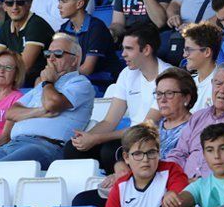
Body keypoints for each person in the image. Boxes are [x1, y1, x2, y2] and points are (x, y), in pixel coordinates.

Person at [71, 68, 196, 207]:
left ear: (186, 98)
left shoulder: (195, 127)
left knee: (89, 203)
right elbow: (129, 152)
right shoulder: (153, 126)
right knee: (82, 201)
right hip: (138, 185)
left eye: (169, 94)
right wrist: (120, 167)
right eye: (158, 94)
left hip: (167, 192)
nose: (162, 99)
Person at [0, 35, 94, 168]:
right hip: (13, 144)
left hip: (45, 146)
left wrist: (47, 82)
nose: (51, 58)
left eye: (58, 54)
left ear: (75, 60)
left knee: (0, 168)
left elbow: (52, 104)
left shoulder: (80, 83)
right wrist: (42, 111)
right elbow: (11, 113)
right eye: (48, 53)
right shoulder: (42, 87)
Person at [75, 123, 196, 207]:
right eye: (138, 154)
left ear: (158, 153)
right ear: (126, 157)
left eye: (151, 152)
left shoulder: (172, 171)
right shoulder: (121, 187)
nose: (145, 159)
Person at [64, 25, 169, 173]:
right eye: (123, 48)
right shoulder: (127, 73)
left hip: (151, 140)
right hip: (131, 137)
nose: (123, 54)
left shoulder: (168, 76)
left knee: (110, 151)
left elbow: (145, 128)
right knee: (73, 148)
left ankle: (117, 189)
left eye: (129, 49)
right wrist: (87, 137)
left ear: (146, 50)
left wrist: (98, 139)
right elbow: (110, 121)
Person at [58, 0, 119, 76]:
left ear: (79, 4)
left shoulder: (97, 28)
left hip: (101, 83)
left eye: (64, 1)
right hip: (74, 80)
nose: (59, 6)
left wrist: (60, 75)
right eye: (59, 1)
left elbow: (87, 69)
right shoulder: (64, 28)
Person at [180, 22, 223, 111]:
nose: (184, 55)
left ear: (207, 52)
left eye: (189, 50)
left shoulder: (221, 86)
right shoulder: (190, 83)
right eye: (185, 50)